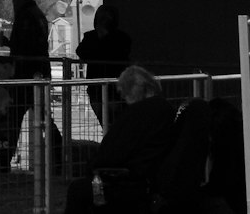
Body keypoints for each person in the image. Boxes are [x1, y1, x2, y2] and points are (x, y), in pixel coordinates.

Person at [64, 65, 175, 213]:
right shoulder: (167, 110)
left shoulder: (137, 114)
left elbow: (113, 152)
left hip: (127, 183)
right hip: (149, 180)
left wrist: (93, 167)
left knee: (78, 190)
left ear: (130, 91)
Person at [0, 0, 62, 171]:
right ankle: (59, 156)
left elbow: (24, 47)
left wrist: (8, 43)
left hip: (26, 74)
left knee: (14, 117)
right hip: (38, 73)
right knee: (44, 118)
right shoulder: (37, 14)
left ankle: (4, 161)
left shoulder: (25, 16)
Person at [76, 5, 132, 126]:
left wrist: (102, 40)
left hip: (110, 88)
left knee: (113, 123)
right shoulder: (122, 38)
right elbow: (81, 51)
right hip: (104, 87)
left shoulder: (120, 39)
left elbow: (84, 53)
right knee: (112, 123)